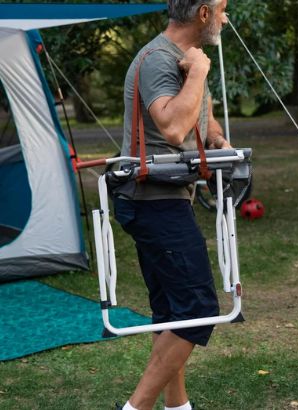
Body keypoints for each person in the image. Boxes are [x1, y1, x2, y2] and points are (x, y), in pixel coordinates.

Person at [113, 1, 230, 409]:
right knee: (198, 305)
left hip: (164, 198)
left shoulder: (187, 59)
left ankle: (177, 406)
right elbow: (175, 127)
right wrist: (198, 72)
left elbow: (201, 117)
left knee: (173, 311)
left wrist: (217, 140)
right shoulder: (159, 60)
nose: (225, 17)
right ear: (203, 13)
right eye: (222, 8)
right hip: (151, 201)